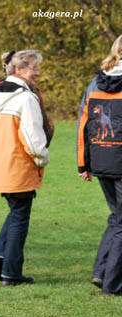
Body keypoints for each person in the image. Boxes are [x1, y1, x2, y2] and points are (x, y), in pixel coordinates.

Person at [0, 50, 52, 286]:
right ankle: (11, 274)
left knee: (15, 212)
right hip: (19, 165)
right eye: (34, 68)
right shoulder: (26, 98)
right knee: (20, 217)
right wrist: (42, 158)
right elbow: (33, 138)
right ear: (19, 69)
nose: (38, 73)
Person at [77, 34, 122, 295]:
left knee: (117, 218)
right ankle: (113, 285)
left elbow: (83, 125)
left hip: (101, 159)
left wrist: (83, 164)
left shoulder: (96, 82)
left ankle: (101, 272)